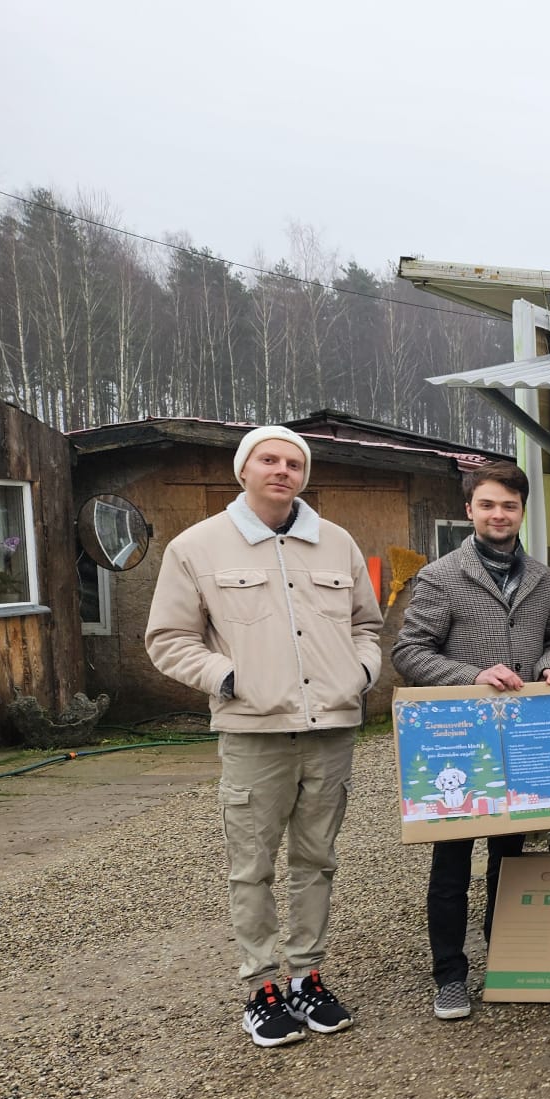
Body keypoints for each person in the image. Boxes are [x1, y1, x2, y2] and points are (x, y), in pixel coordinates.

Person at [145, 425, 382, 1048]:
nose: (282, 470)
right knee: (252, 867)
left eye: (293, 463)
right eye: (268, 460)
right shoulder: (197, 547)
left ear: (305, 475)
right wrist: (228, 679)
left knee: (317, 859)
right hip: (255, 732)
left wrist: (358, 674)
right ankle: (261, 987)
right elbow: (168, 639)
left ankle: (306, 976)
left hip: (330, 729)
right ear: (243, 470)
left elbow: (366, 626)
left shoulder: (336, 542)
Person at [393, 462, 550, 1021]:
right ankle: (449, 975)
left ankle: (506, 956)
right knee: (452, 861)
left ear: (522, 512)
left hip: (521, 737)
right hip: (459, 739)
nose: (500, 515)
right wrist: (472, 676)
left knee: (510, 856)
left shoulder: (544, 579)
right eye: (489, 505)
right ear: (470, 510)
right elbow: (409, 652)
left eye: (510, 506)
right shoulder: (441, 576)